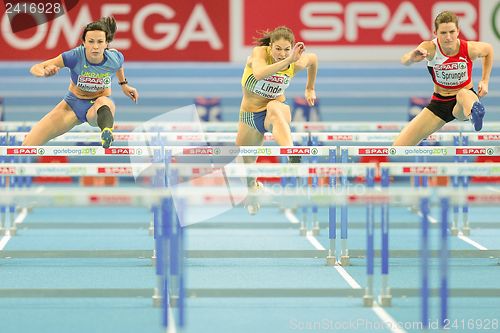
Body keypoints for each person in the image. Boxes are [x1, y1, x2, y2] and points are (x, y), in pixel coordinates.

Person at [235, 26, 318, 214]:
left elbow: (313, 59)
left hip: (276, 112)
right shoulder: (259, 54)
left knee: (273, 106)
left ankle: (291, 154)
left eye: (287, 49)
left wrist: (310, 88)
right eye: (278, 49)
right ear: (270, 46)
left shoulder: (295, 62)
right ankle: (252, 190)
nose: (282, 53)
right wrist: (289, 60)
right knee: (246, 170)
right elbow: (259, 74)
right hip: (249, 116)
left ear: (292, 48)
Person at [24, 17, 138, 148]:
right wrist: (43, 72)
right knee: (27, 145)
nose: (95, 46)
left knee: (106, 102)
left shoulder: (114, 58)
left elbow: (118, 66)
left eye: (100, 42)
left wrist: (124, 85)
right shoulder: (74, 56)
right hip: (71, 106)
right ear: (84, 42)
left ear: (107, 43)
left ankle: (107, 132)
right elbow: (37, 67)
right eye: (91, 41)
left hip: (96, 109)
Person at [394, 11, 493, 146]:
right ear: (435, 33)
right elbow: (404, 59)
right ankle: (472, 111)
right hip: (439, 104)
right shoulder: (430, 48)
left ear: (458, 31)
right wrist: (411, 57)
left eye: (452, 32)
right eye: (443, 33)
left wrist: (485, 81)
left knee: (464, 94)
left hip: (463, 102)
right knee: (398, 147)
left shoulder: (469, 49)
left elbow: (488, 50)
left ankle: (474, 113)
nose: (448, 37)